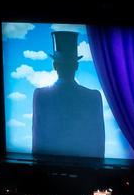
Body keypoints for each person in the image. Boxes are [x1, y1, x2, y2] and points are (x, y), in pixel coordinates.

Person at [32, 30, 104, 158]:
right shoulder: (93, 97)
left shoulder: (40, 95)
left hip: (48, 169)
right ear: (76, 66)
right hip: (86, 170)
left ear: (54, 65)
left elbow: (38, 140)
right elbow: (99, 142)